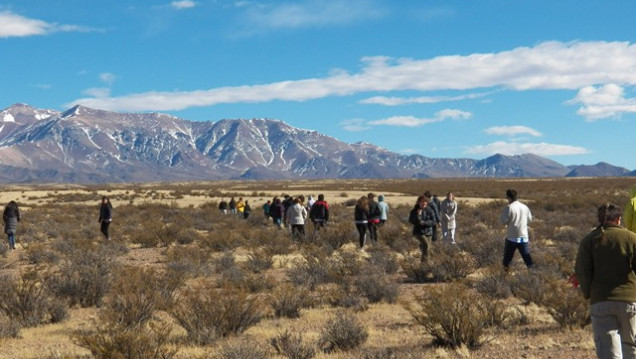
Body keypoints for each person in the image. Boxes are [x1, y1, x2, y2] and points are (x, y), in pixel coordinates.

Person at [575, 203, 636, 359]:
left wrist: (588, 293)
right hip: (630, 301)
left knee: (608, 351)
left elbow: (582, 272)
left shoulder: (588, 240)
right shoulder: (631, 238)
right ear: (619, 219)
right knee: (631, 347)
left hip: (601, 301)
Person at [500, 189, 534, 271]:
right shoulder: (524, 207)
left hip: (512, 237)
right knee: (527, 258)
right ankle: (533, 274)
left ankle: (505, 275)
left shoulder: (509, 207)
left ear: (508, 197)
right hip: (524, 237)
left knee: (507, 259)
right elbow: (529, 219)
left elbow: (502, 221)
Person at [409, 195, 436, 263]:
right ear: (418, 202)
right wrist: (418, 215)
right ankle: (424, 264)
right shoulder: (414, 211)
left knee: (427, 248)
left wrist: (425, 223)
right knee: (426, 245)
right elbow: (411, 221)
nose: (424, 203)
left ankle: (425, 261)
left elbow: (433, 221)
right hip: (418, 232)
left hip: (428, 231)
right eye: (422, 202)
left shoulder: (429, 210)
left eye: (425, 202)